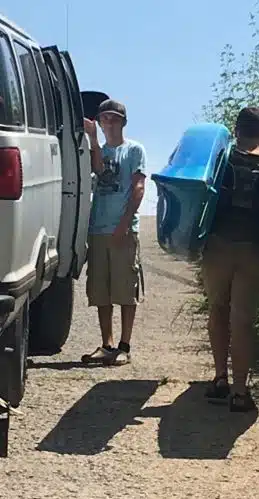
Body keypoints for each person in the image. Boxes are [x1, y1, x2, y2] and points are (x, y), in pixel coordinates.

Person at [201, 106, 259, 412]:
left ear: (235, 130)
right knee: (242, 320)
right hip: (254, 250)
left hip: (218, 246)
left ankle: (219, 379)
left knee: (218, 308)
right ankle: (240, 392)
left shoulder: (220, 160)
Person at [81, 99, 146, 366]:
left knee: (125, 289)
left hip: (123, 229)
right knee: (101, 289)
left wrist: (124, 224)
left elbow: (139, 187)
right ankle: (106, 344)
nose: (109, 122)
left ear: (123, 121)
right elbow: (98, 171)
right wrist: (94, 141)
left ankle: (124, 345)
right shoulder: (99, 150)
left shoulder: (134, 150)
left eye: (114, 118)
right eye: (105, 118)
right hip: (98, 228)